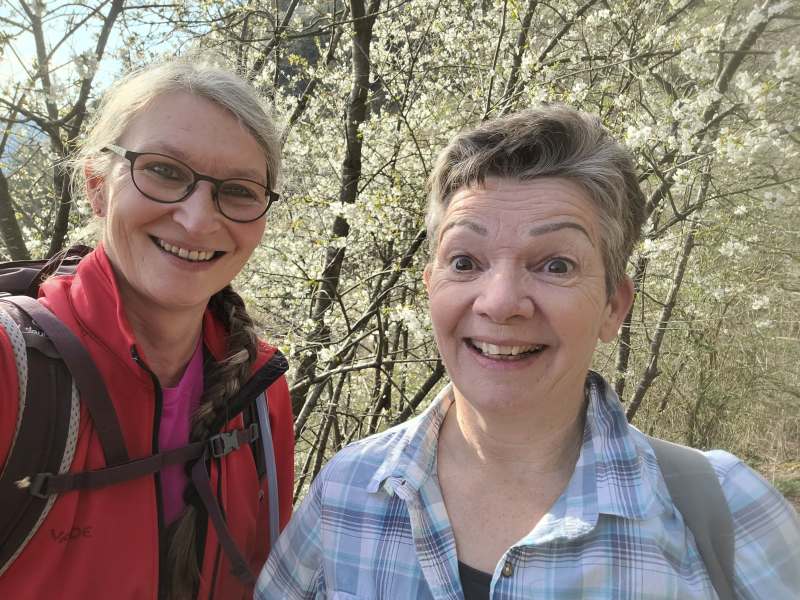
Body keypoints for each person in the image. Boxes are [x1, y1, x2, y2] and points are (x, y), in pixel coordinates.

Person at [256, 106, 800, 599]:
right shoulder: (347, 494)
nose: (500, 303)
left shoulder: (725, 512)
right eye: (465, 261)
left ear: (614, 305)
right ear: (430, 288)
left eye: (555, 265)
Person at [0, 57, 294, 599]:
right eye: (163, 170)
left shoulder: (258, 387)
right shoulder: (11, 367)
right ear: (97, 185)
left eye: (240, 190)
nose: (199, 219)